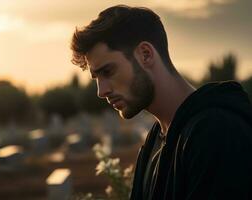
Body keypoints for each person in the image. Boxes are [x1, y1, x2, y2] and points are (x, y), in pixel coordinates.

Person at [70, 5, 252, 200]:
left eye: (108, 72)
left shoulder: (217, 131)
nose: (101, 91)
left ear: (145, 54)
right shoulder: (155, 140)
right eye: (96, 78)